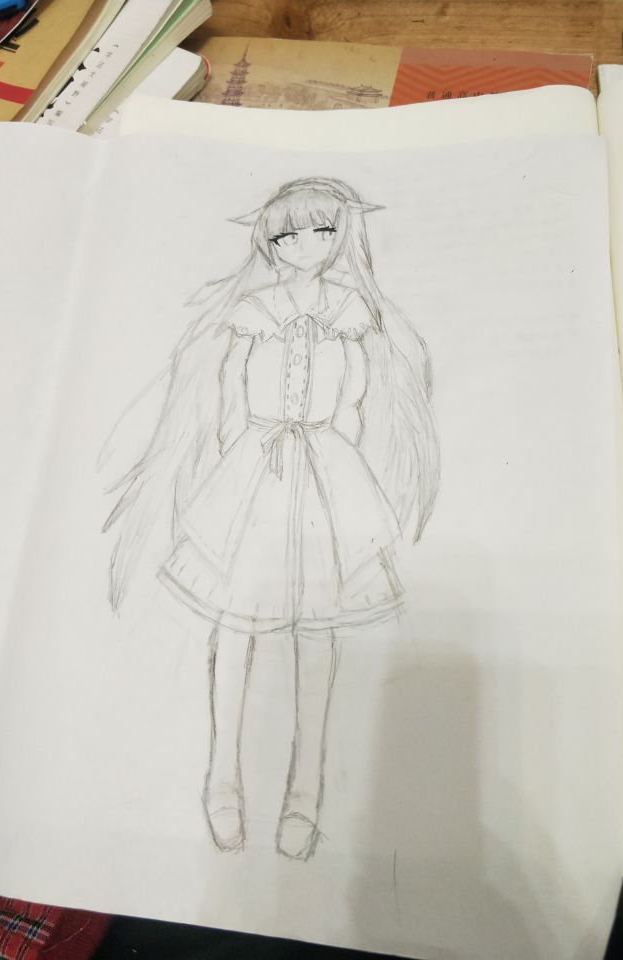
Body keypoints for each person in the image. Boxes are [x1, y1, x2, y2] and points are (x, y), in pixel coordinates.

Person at [104, 176, 438, 860]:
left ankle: (305, 792)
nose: (304, 245)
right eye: (288, 234)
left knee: (317, 631)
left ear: (342, 235)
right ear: (269, 240)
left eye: (321, 231)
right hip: (254, 472)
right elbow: (229, 400)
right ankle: (222, 779)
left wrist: (338, 463)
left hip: (326, 474)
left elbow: (357, 402)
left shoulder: (352, 310)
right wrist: (235, 464)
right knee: (234, 626)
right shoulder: (251, 310)